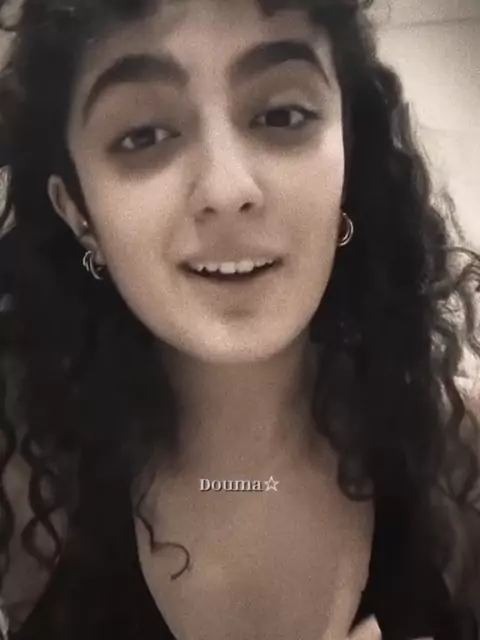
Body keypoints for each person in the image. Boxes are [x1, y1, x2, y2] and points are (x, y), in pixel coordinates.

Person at [0, 0, 479, 638]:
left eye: (282, 115)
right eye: (143, 135)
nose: (227, 191)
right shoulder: (22, 486)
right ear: (79, 213)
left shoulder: (459, 457)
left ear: (349, 157)